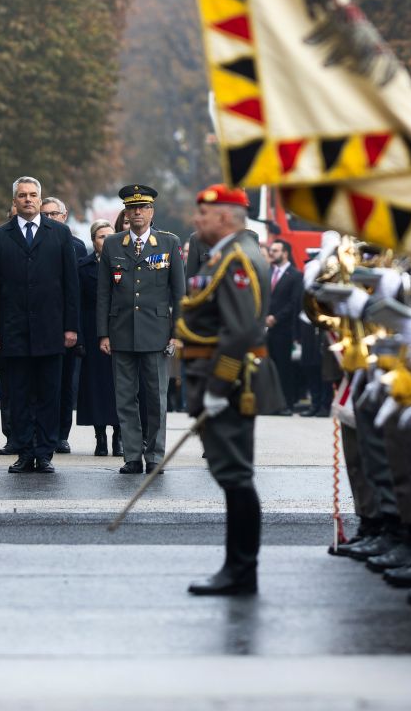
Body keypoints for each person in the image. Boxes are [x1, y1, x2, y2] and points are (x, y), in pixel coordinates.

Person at [176, 185, 271, 595]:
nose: (196, 220)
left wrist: (217, 386)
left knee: (235, 475)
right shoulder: (227, 253)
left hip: (230, 382)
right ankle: (237, 567)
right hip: (216, 376)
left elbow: (241, 331)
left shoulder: (237, 258)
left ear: (226, 217)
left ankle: (241, 570)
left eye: (203, 213)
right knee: (231, 474)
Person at [0, 176, 80, 474]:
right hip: (13, 331)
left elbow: (70, 286)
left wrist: (71, 328)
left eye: (33, 195)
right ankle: (24, 450)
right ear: (14, 200)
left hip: (51, 330)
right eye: (22, 195)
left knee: (49, 394)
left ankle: (45, 452)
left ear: (40, 198)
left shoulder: (60, 234)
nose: (27, 199)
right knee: (19, 395)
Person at [97, 184, 184, 473]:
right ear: (126, 212)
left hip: (157, 333)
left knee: (156, 398)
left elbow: (178, 293)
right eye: (132, 208)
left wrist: (177, 333)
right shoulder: (113, 244)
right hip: (121, 331)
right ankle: (132, 455)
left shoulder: (169, 243)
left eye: (143, 207)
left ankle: (155, 455)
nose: (137, 212)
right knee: (125, 397)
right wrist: (103, 333)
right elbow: (104, 293)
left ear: (151, 211)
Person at [40, 196, 87, 454]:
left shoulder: (77, 247)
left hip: (68, 326)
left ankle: (61, 434)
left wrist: (76, 329)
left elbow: (76, 292)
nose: (49, 219)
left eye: (53, 214)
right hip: (46, 324)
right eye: (44, 214)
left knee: (66, 383)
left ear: (64, 215)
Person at [75, 218, 121, 457]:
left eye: (109, 235)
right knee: (96, 388)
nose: (106, 240)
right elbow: (77, 304)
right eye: (101, 236)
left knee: (120, 387)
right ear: (94, 240)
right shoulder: (83, 266)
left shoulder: (124, 263)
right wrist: (80, 338)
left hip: (120, 330)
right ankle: (100, 437)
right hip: (92, 331)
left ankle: (119, 437)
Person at [263, 238, 305, 414]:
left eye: (275, 250)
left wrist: (276, 318)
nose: (271, 253)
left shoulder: (295, 275)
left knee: (283, 368)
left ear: (285, 253)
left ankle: (286, 404)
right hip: (267, 329)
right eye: (271, 250)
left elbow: (293, 303)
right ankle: (271, 404)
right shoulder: (267, 273)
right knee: (268, 367)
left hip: (284, 329)